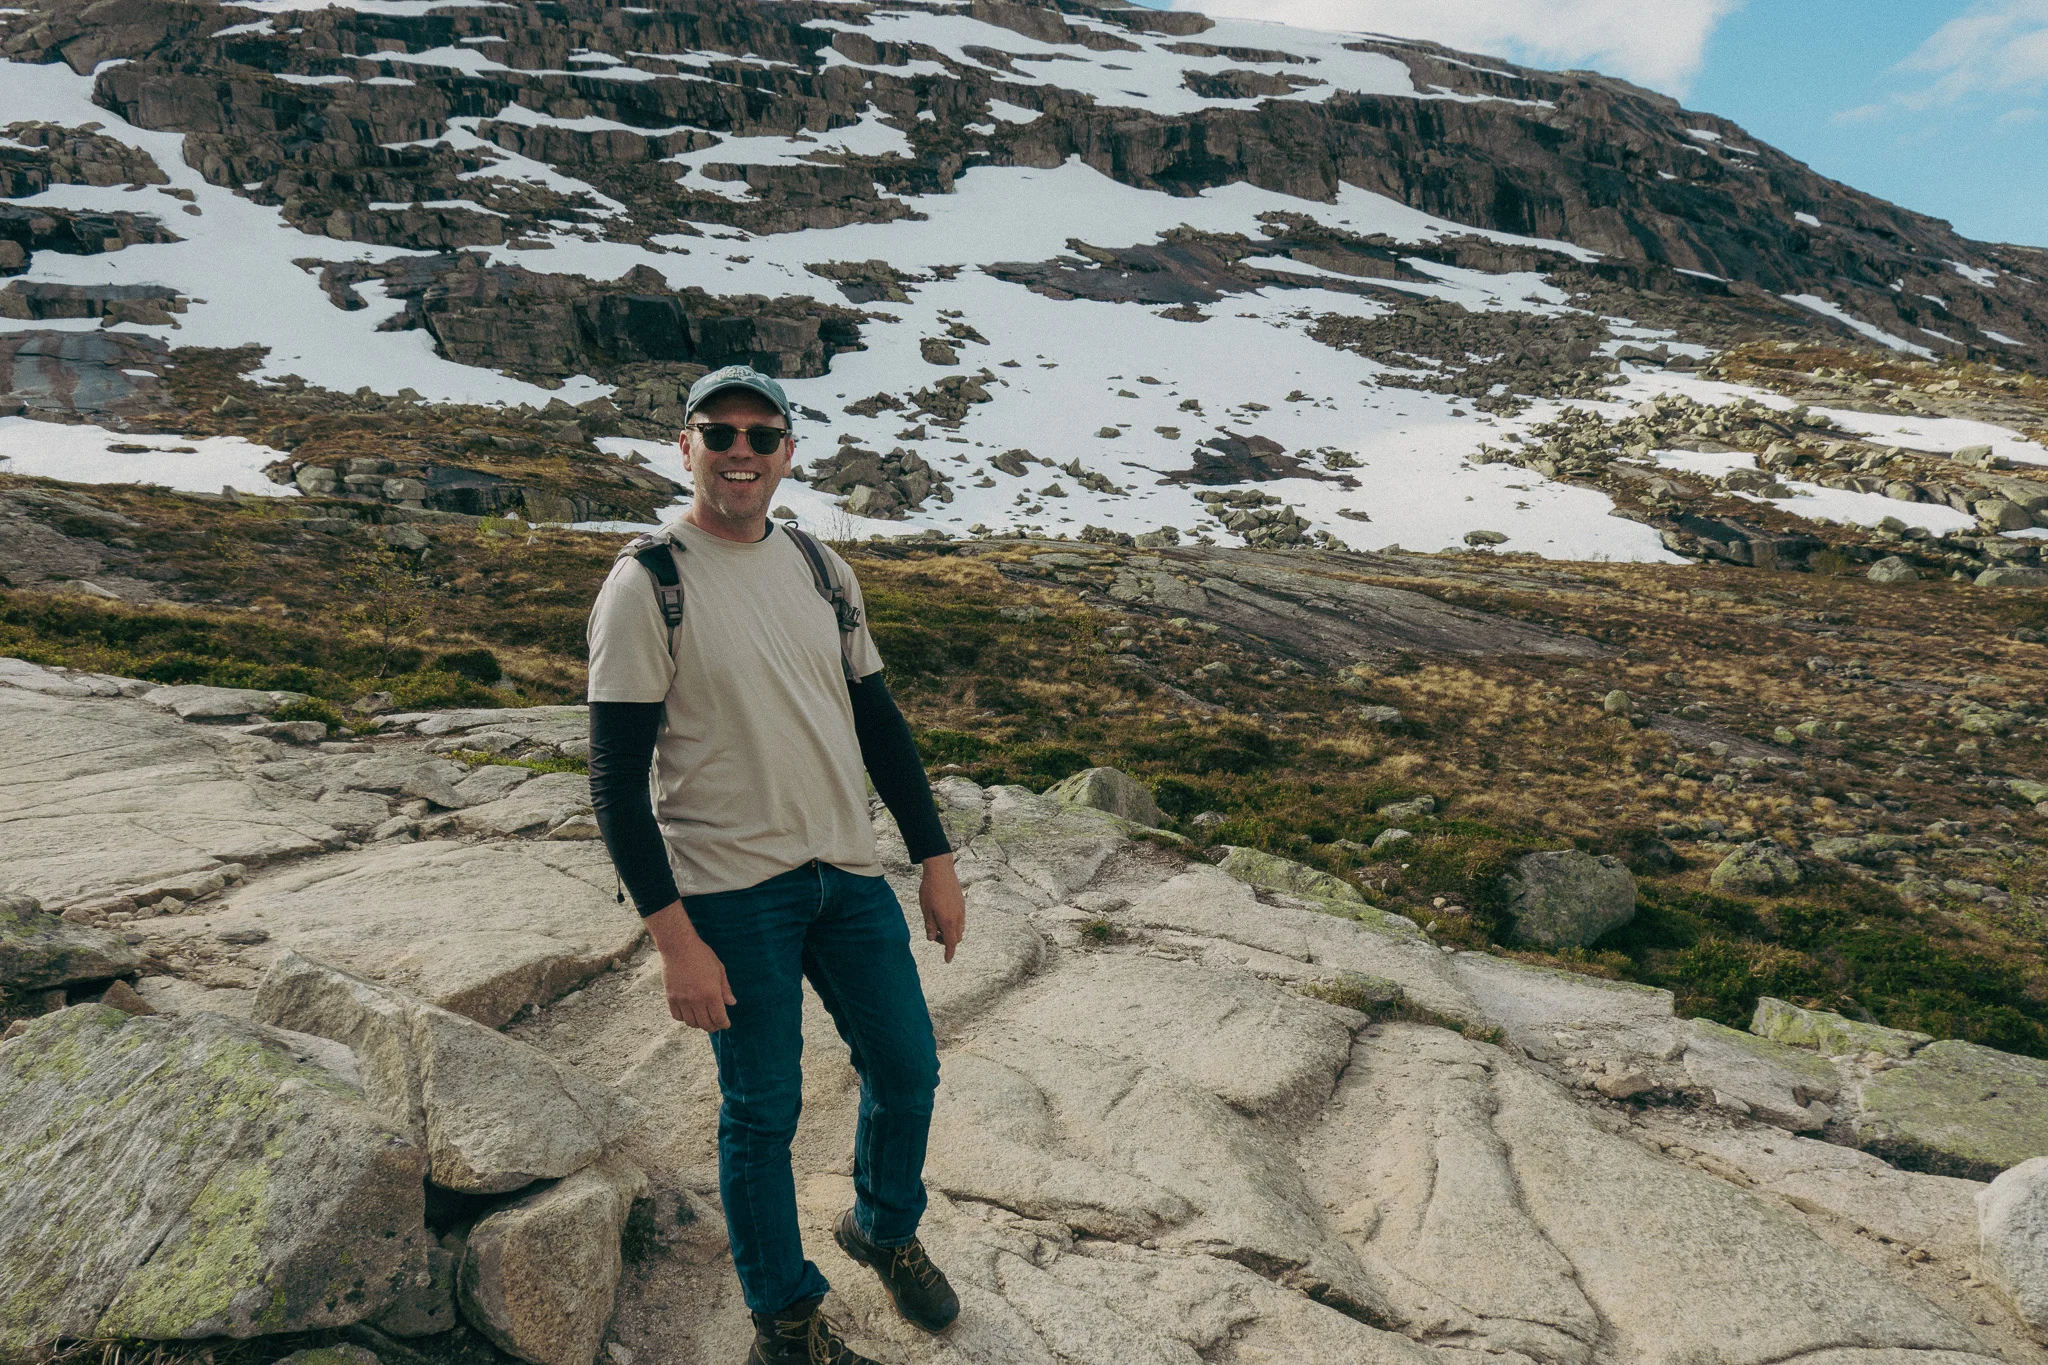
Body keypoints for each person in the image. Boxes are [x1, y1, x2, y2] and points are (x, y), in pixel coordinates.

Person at [585, 364, 967, 1365]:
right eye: (720, 435)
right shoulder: (647, 584)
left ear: (789, 450)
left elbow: (876, 721)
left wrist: (933, 858)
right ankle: (784, 1319)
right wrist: (672, 940)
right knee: (761, 1111)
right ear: (686, 449)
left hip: (843, 876)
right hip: (727, 895)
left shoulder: (817, 567)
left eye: (762, 436)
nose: (740, 453)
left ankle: (881, 1228)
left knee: (907, 1070)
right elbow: (616, 781)